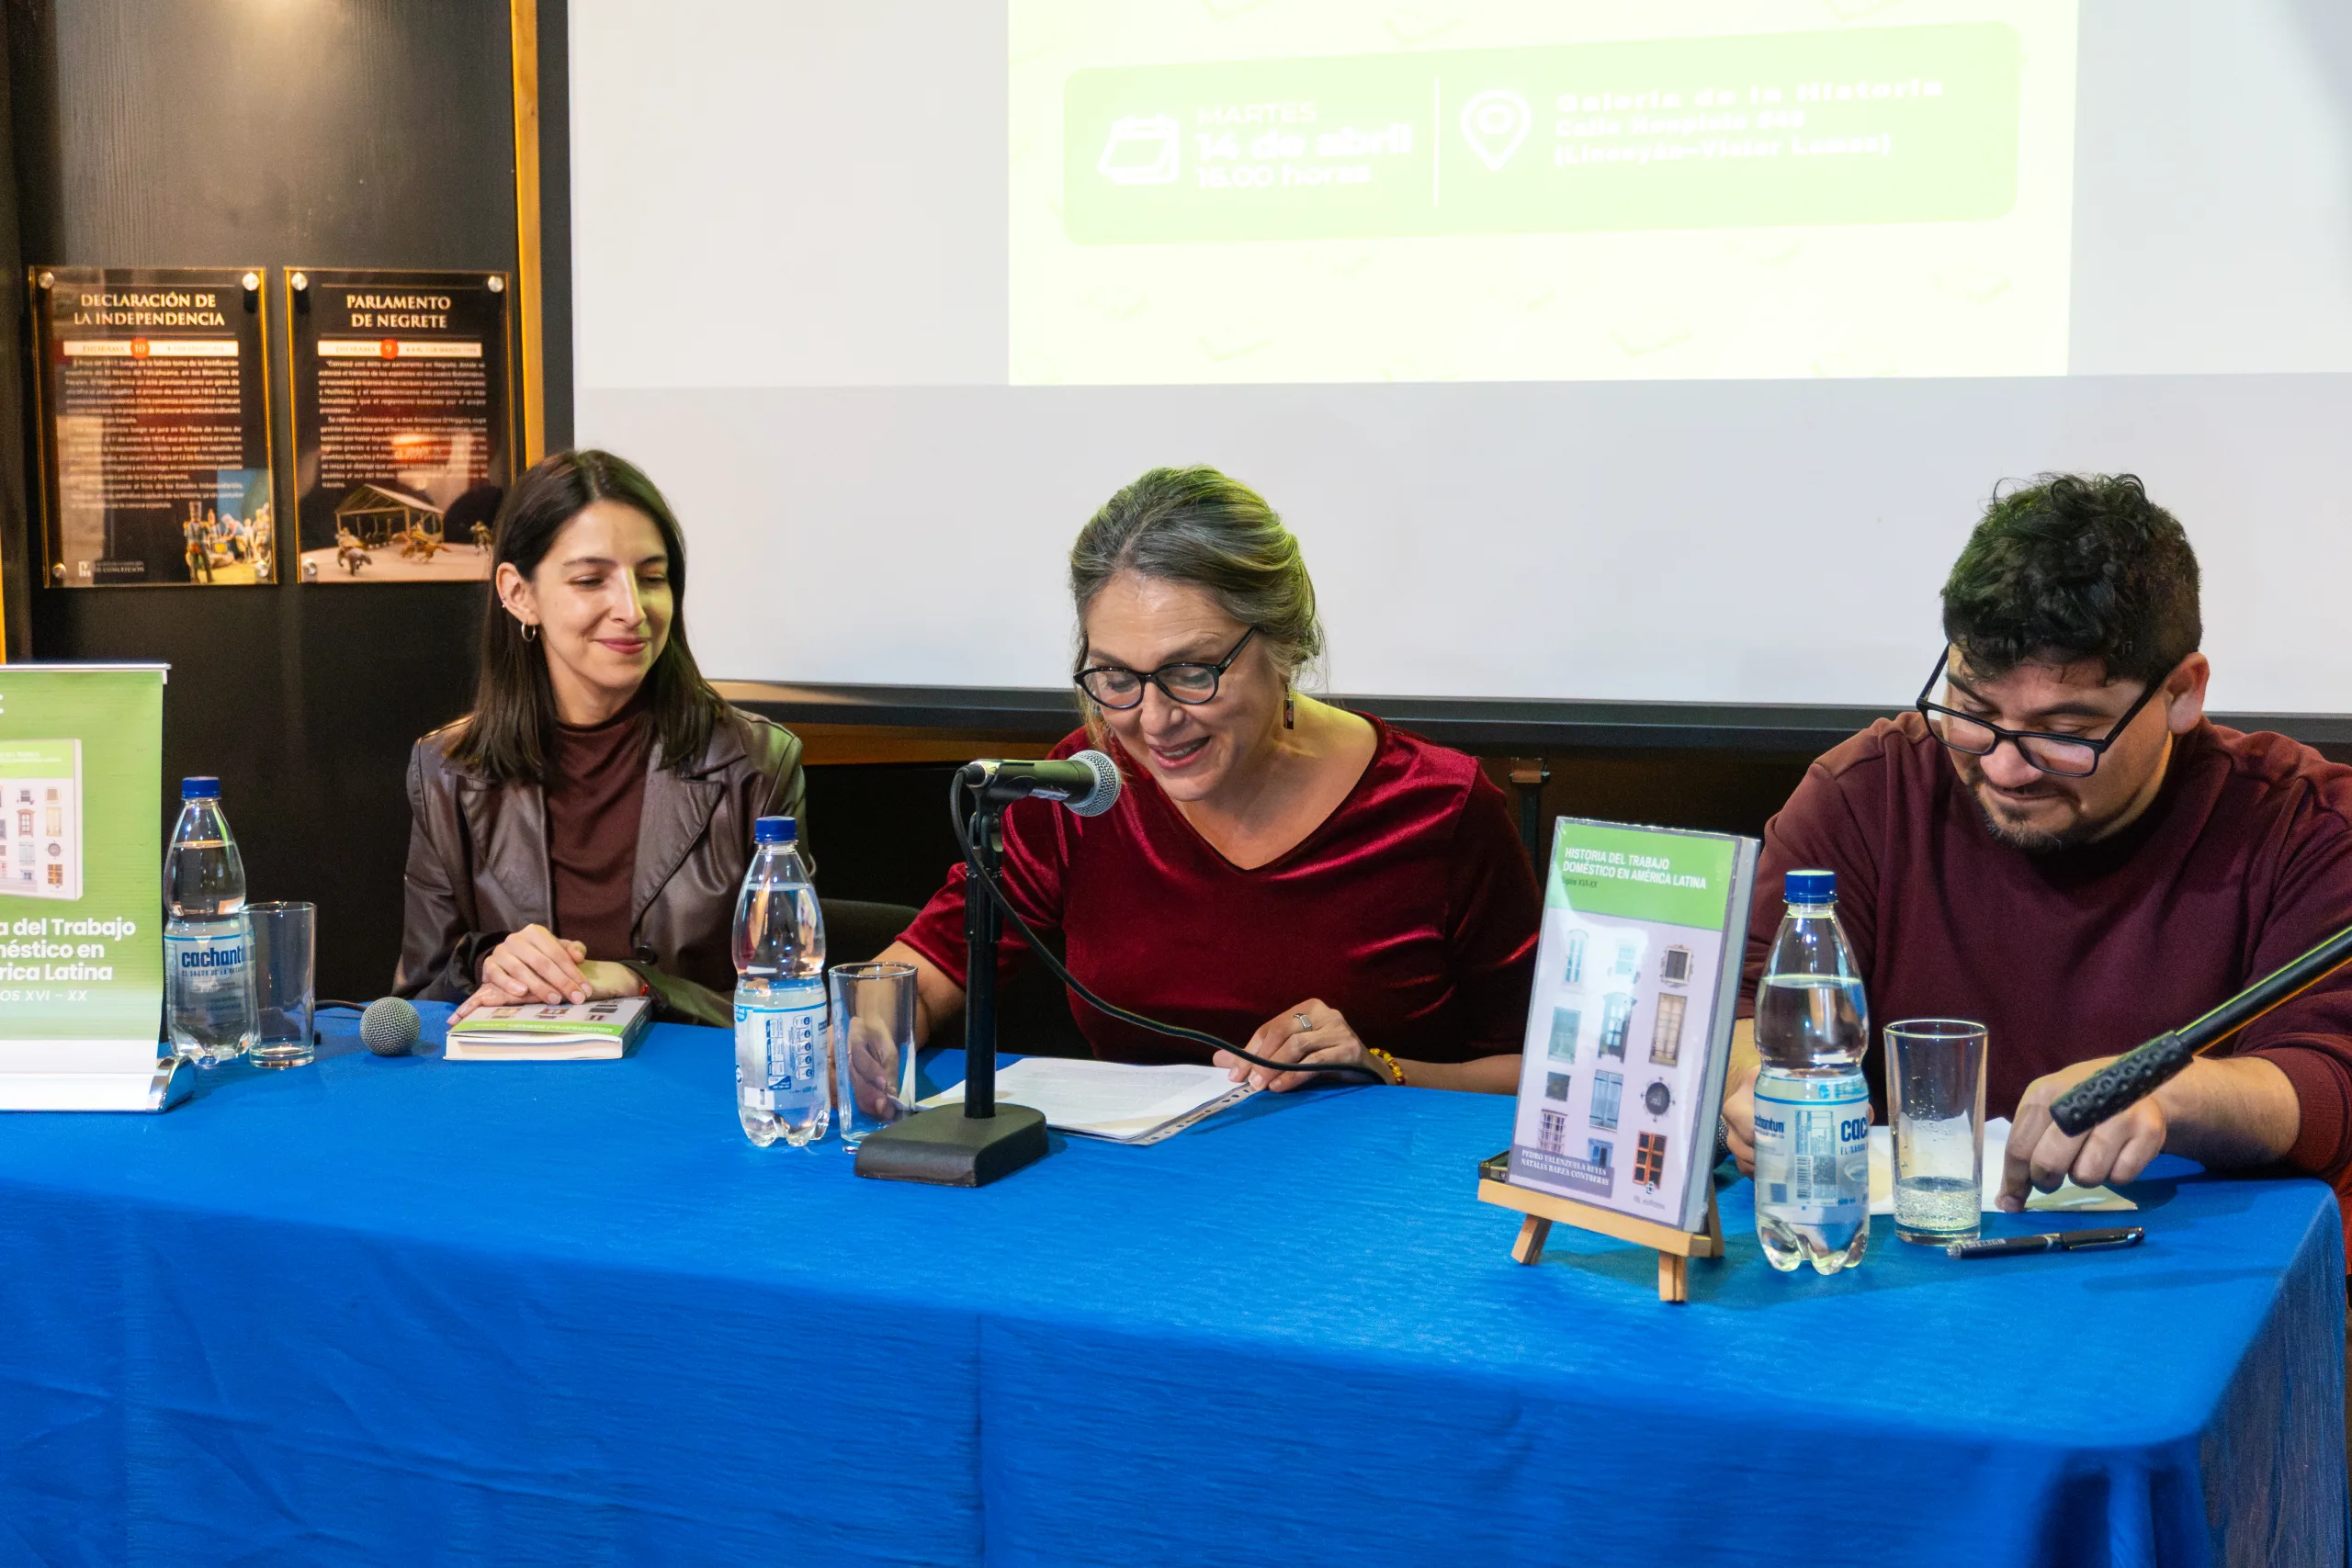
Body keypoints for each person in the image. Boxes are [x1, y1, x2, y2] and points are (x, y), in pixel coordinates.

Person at [1718, 474, 2352, 1240]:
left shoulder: (2299, 823)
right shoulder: (1866, 794)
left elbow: (2327, 1078)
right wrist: (1758, 1088)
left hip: (2183, 1276)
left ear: (2183, 691)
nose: (2004, 769)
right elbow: (1751, 1011)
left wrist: (2164, 1092)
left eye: (2064, 731)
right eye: (1972, 711)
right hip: (1901, 1262)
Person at [871, 465, 1541, 1094]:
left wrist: (1381, 1068)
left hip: (1377, 1195)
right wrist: (864, 1032)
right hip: (1145, 1194)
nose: (1154, 720)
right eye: (1115, 677)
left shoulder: (1437, 806)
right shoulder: (1088, 785)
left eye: (1192, 671)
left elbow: (1543, 1075)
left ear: (1285, 645)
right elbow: (922, 976)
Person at [395, 448, 807, 1027]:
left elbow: (795, 1008)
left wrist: (640, 984)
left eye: (652, 578)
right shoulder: (446, 769)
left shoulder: (756, 763)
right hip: (516, 1097)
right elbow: (418, 999)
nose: (632, 610)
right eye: (592, 580)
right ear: (519, 594)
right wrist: (491, 961)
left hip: (692, 1099)